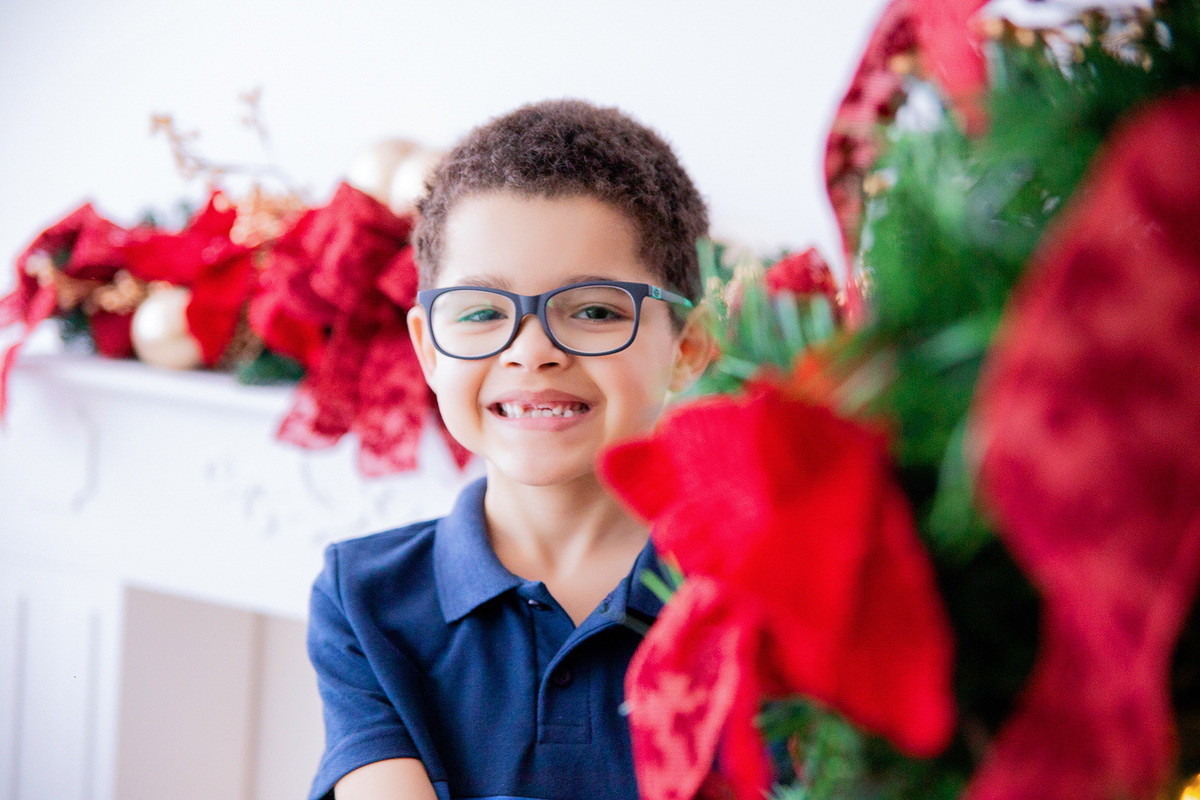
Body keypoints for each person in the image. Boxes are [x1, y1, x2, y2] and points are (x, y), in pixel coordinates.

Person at [307, 99, 715, 800]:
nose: (532, 352)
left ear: (689, 347)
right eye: (480, 313)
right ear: (428, 351)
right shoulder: (364, 601)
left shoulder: (753, 588)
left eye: (593, 310)